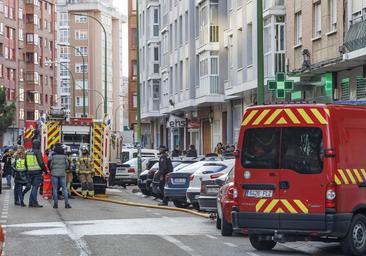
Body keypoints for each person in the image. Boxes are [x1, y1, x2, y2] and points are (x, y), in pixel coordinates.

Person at [48, 143, 71, 209]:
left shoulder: (52, 155)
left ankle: (55, 204)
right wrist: (64, 169)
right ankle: (67, 204)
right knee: (64, 189)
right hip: (62, 174)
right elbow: (67, 165)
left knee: (55, 189)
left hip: (54, 173)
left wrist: (52, 169)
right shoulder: (65, 156)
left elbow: (50, 164)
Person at [25, 139, 47, 207]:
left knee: (33, 187)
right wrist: (45, 170)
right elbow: (41, 162)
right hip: (37, 172)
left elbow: (25, 163)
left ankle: (31, 202)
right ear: (37, 145)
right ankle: (34, 202)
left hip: (29, 172)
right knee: (35, 187)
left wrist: (28, 169)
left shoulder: (28, 152)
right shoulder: (38, 152)